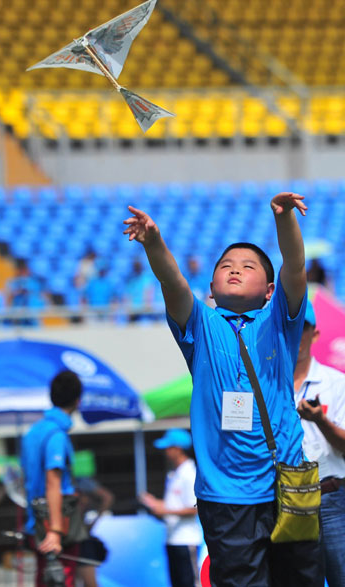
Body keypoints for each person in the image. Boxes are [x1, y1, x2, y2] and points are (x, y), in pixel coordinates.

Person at [123, 192, 325, 586]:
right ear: (211, 288)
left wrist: (283, 219)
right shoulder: (199, 324)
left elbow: (296, 267)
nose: (235, 269)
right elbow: (172, 281)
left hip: (287, 487)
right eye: (226, 266)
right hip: (226, 497)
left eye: (248, 266)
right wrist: (153, 242)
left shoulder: (280, 320)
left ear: (269, 289)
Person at [294, 300, 345, 587]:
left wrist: (321, 421)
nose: (296, 335)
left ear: (315, 333)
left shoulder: (336, 383)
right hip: (283, 499)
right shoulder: (266, 385)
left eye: (304, 328)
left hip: (330, 498)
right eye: (291, 328)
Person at [21, 370, 83, 587]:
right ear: (78, 400)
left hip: (36, 521)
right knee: (60, 580)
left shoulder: (33, 431)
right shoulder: (56, 434)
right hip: (57, 524)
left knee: (44, 580)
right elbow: (53, 481)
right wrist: (55, 531)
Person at [139, 428, 202, 587]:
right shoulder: (175, 473)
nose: (165, 451)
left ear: (178, 449)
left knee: (190, 583)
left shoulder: (189, 473)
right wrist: (153, 503)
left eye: (168, 447)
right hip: (172, 539)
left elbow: (194, 508)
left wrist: (163, 510)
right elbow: (174, 505)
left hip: (187, 540)